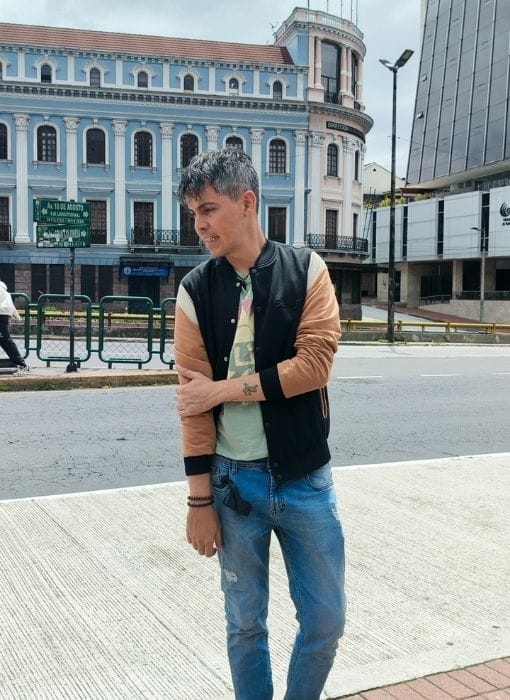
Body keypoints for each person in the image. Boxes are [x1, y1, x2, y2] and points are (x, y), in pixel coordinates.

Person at [174, 148, 345, 700]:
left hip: (305, 479)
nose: (199, 225)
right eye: (193, 214)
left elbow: (313, 366)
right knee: (245, 624)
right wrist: (199, 501)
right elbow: (192, 406)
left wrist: (222, 389)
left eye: (208, 209)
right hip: (232, 487)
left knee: (325, 621)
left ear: (247, 203)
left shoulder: (307, 270)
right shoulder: (195, 290)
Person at [0, 279, 30, 375]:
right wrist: (17, 317)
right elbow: (10, 305)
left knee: (4, 339)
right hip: (4, 312)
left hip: (1, 312)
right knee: (4, 339)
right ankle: (21, 364)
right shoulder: (3, 290)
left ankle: (21, 364)